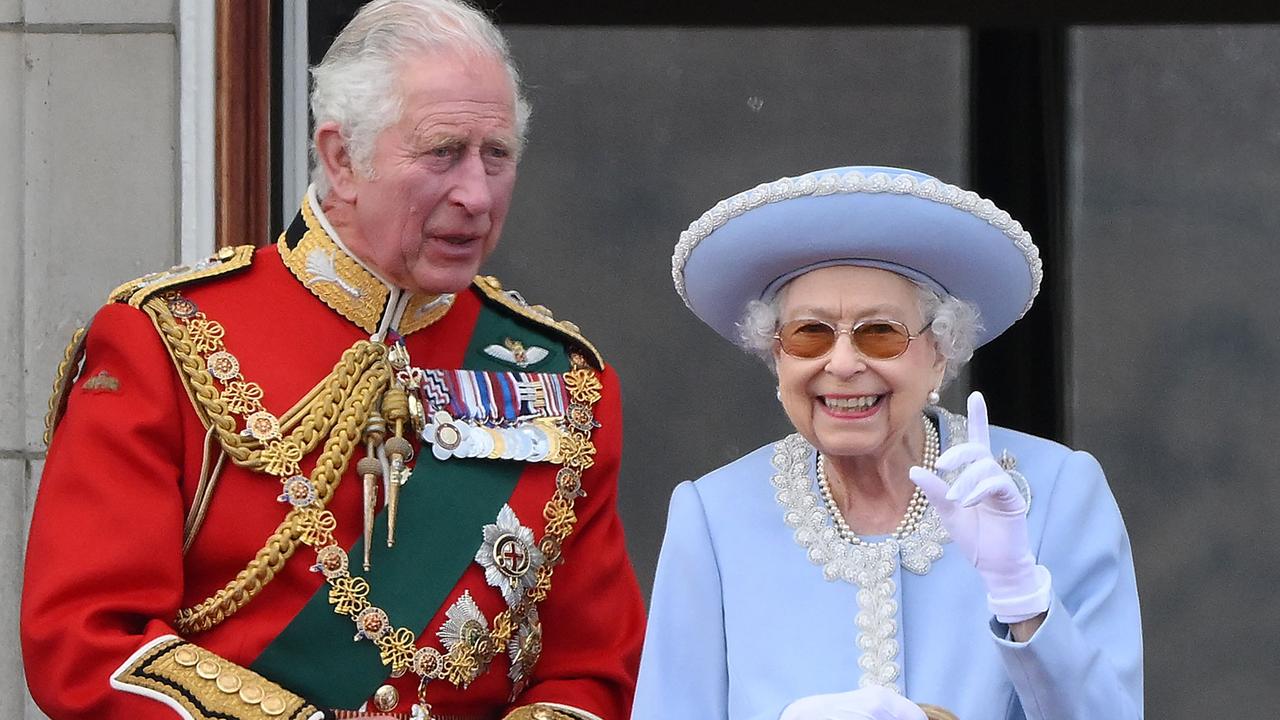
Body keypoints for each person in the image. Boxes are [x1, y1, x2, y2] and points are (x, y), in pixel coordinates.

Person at [21, 2, 645, 719]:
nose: (476, 194)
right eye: (443, 151)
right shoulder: (168, 339)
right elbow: (90, 640)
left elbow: (595, 674)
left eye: (496, 155)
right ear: (342, 156)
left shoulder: (560, 381)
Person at [633, 166, 1142, 719]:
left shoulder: (1058, 492)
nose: (845, 364)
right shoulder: (713, 517)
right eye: (810, 335)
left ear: (940, 352)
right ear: (777, 357)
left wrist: (1021, 596)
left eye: (881, 333)